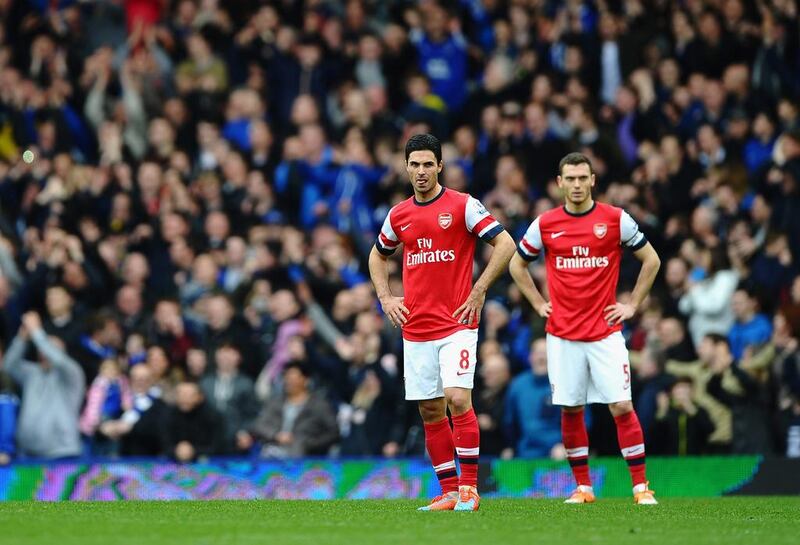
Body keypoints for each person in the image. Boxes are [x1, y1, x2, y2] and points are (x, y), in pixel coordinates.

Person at [368, 133, 515, 511]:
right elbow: (377, 255)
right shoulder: (399, 214)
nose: (420, 171)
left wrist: (479, 289)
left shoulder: (463, 206)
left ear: (439, 166)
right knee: (430, 410)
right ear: (406, 167)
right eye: (414, 164)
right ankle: (449, 492)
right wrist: (385, 297)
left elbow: (505, 245)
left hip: (457, 323)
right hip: (416, 327)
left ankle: (469, 489)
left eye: (427, 164)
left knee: (457, 398)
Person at [509, 152, 661, 505]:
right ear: (559, 183)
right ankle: (583, 488)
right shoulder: (545, 224)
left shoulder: (615, 219)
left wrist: (632, 305)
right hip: (562, 334)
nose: (577, 185)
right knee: (571, 409)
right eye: (570, 179)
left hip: (605, 333)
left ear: (593, 180)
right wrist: (536, 302)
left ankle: (641, 487)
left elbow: (651, 259)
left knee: (621, 406)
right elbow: (518, 265)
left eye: (582, 178)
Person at [1, 312, 85, 459]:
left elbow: (58, 360)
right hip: (29, 454)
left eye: (50, 346)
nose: (44, 350)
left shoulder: (72, 373)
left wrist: (37, 332)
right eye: (42, 347)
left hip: (63, 454)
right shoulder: (32, 373)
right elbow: (8, 366)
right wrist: (22, 338)